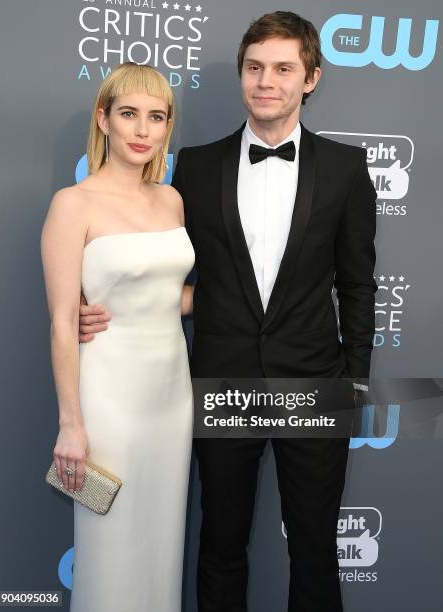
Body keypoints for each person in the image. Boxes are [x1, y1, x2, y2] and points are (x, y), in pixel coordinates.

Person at [79, 11, 377, 612]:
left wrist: (353, 383)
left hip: (315, 383)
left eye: (284, 68)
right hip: (220, 380)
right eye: (254, 67)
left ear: (310, 79)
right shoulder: (197, 166)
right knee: (220, 546)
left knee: (316, 551)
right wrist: (111, 308)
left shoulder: (346, 169)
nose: (267, 81)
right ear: (242, 75)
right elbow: (168, 269)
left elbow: (358, 286)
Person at [41, 63, 195, 612]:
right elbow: (63, 320)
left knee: (162, 539)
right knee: (110, 543)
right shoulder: (72, 204)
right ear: (103, 119)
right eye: (129, 114)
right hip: (108, 395)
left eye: (156, 117)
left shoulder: (171, 201)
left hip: (172, 394)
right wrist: (70, 424)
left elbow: (170, 295)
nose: (142, 130)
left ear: (166, 127)